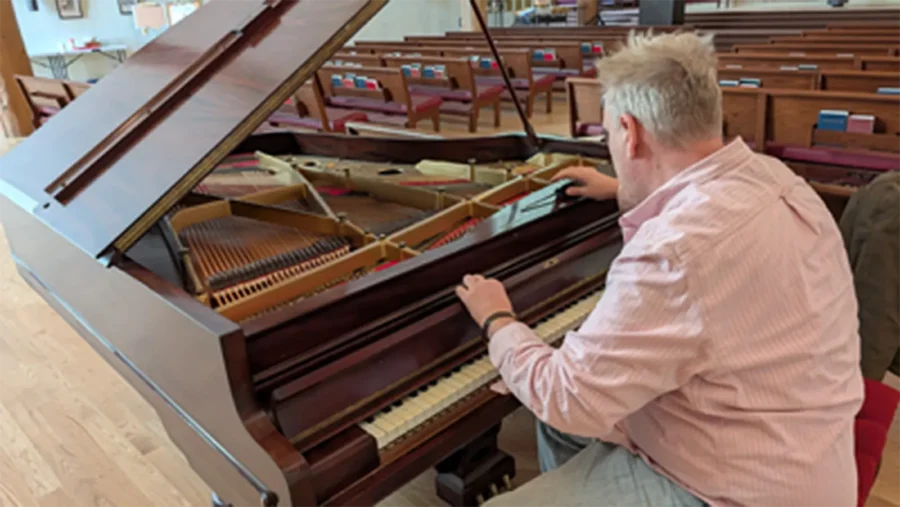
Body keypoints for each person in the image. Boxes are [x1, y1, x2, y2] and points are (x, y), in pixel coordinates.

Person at [456, 31, 863, 507]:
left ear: (630, 133)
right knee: (560, 423)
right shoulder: (780, 181)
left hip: (730, 492)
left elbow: (569, 398)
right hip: (807, 457)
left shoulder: (675, 249)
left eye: (608, 135)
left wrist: (498, 319)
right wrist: (627, 187)